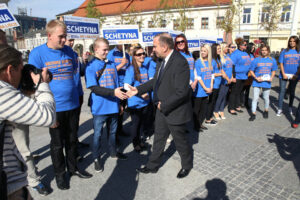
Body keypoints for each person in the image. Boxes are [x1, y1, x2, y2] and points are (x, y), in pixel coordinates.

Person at [28, 20, 92, 190]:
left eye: (66, 36)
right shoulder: (37, 54)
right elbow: (33, 85)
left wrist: (78, 97)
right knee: (57, 144)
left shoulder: (69, 51)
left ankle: (73, 168)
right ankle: (60, 175)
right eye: (61, 36)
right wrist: (44, 111)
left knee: (72, 140)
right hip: (54, 108)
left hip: (72, 104)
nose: (64, 40)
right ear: (49, 35)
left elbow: (74, 76)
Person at [127, 33, 193, 178]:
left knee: (180, 142)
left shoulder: (180, 62)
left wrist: (164, 105)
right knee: (159, 138)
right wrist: (138, 90)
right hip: (161, 109)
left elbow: (182, 92)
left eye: (155, 46)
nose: (153, 49)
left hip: (174, 110)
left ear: (164, 47)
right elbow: (155, 81)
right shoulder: (162, 60)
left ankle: (187, 165)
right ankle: (153, 165)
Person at [0, 44, 55, 200]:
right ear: (10, 70)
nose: (22, 74)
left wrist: (26, 92)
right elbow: (46, 116)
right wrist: (42, 84)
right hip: (8, 185)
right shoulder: (1, 91)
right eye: (21, 70)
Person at [85, 38, 128, 173]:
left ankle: (113, 152)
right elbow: (93, 87)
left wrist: (120, 103)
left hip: (113, 106)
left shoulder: (111, 64)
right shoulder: (91, 66)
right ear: (96, 49)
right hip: (99, 107)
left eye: (107, 49)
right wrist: (112, 92)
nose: (106, 52)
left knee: (113, 132)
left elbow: (116, 85)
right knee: (97, 134)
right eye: (104, 49)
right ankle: (96, 158)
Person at [65, 38, 89, 157]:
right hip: (68, 95)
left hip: (78, 92)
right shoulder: (62, 55)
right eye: (69, 40)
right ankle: (71, 150)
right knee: (67, 125)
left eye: (72, 40)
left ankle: (76, 142)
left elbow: (82, 73)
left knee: (75, 122)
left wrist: (84, 61)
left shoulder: (74, 54)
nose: (71, 42)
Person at [124, 47, 150, 152]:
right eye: (139, 54)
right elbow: (126, 86)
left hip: (145, 102)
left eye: (143, 53)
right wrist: (140, 93)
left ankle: (140, 140)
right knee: (136, 124)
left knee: (141, 124)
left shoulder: (144, 68)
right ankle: (136, 143)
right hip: (135, 102)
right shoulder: (131, 69)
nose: (142, 56)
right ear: (134, 56)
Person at [107, 44, 131, 139]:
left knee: (122, 110)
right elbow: (109, 71)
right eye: (124, 43)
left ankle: (120, 130)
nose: (126, 45)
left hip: (125, 85)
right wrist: (121, 64)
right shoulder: (111, 54)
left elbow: (129, 69)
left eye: (127, 43)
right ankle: (114, 135)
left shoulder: (127, 55)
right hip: (116, 86)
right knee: (115, 111)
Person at [249, 45, 277, 121]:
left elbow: (274, 70)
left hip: (266, 82)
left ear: (268, 51)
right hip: (257, 82)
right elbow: (251, 70)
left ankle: (266, 110)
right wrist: (255, 77)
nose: (264, 51)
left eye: (265, 50)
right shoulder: (256, 60)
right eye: (262, 50)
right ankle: (253, 113)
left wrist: (271, 78)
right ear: (260, 51)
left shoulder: (272, 60)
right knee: (255, 98)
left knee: (265, 98)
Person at [277, 36, 300, 116]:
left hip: (294, 75)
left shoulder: (299, 52)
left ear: (296, 42)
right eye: (290, 41)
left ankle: (290, 107)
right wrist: (283, 74)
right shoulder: (284, 51)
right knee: (282, 91)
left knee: (292, 92)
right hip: (284, 74)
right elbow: (281, 63)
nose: (292, 42)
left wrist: (297, 74)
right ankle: (280, 108)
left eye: (294, 41)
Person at [228, 38, 251, 115]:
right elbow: (232, 66)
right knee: (234, 92)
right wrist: (233, 77)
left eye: (246, 44)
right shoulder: (235, 53)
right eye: (244, 44)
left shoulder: (245, 53)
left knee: (239, 92)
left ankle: (237, 106)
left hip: (244, 76)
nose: (246, 46)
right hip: (237, 76)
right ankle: (231, 108)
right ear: (240, 45)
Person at [193, 44, 214, 131]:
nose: (202, 52)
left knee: (203, 109)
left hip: (208, 89)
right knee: (197, 109)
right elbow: (198, 77)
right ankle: (196, 126)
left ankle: (200, 123)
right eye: (201, 51)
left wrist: (211, 87)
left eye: (204, 51)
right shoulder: (198, 62)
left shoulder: (211, 62)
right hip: (200, 90)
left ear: (208, 52)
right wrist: (205, 88)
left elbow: (212, 75)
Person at [214, 43, 233, 120]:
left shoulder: (227, 56)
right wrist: (227, 79)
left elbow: (230, 68)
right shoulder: (221, 58)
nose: (227, 48)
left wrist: (231, 77)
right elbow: (222, 70)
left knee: (224, 96)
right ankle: (216, 110)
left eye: (227, 47)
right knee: (220, 96)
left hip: (228, 79)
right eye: (225, 47)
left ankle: (221, 110)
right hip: (223, 80)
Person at [205, 43, 222, 125]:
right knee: (211, 102)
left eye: (220, 49)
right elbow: (211, 73)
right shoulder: (212, 60)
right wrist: (220, 74)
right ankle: (208, 118)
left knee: (213, 101)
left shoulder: (217, 59)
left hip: (218, 83)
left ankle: (210, 116)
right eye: (218, 49)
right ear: (214, 50)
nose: (220, 50)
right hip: (214, 84)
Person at [241, 42, 255, 109]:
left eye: (254, 47)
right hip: (245, 74)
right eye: (252, 47)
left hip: (250, 75)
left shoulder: (252, 55)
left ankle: (246, 103)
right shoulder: (245, 55)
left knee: (248, 90)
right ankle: (241, 102)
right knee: (242, 90)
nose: (253, 48)